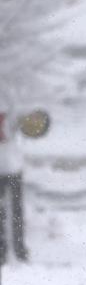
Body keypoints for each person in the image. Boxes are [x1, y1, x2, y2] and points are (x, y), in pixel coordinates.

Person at [0, 98, 29, 264]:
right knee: (14, 211)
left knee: (10, 212)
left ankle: (8, 251)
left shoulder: (13, 106)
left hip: (10, 165)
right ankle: (16, 250)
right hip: (11, 165)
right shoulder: (13, 106)